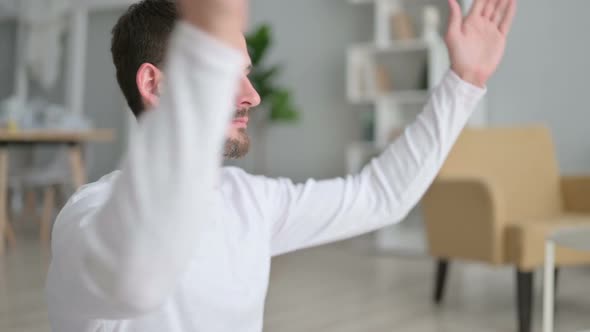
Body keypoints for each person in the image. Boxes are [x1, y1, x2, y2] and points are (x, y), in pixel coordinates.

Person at [46, 0, 516, 331]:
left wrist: (464, 82)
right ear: (154, 83)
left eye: (246, 74)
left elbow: (380, 197)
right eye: (228, 72)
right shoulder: (87, 218)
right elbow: (138, 282)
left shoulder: (249, 200)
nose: (253, 96)